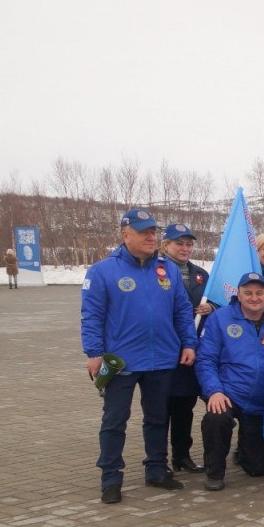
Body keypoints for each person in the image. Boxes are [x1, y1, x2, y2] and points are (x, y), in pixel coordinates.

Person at [80, 208, 197, 503]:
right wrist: (94, 353)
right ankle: (111, 477)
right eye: (144, 232)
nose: (151, 237)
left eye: (153, 232)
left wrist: (189, 343)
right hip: (121, 362)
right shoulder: (102, 271)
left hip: (161, 359)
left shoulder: (166, 269)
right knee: (115, 420)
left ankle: (157, 469)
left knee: (158, 418)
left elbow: (182, 310)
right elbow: (91, 317)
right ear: (125, 235)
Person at [195, 272, 264, 490]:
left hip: (262, 401)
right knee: (216, 419)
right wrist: (214, 391)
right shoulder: (220, 318)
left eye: (259, 293)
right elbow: (206, 360)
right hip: (228, 393)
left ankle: (243, 451)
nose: (254, 298)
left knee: (258, 469)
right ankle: (214, 471)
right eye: (247, 292)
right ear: (238, 295)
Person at [161, 223, 212, 475]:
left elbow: (216, 302)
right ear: (166, 245)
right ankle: (159, 460)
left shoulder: (201, 274)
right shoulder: (154, 271)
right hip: (163, 349)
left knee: (184, 406)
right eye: (178, 243)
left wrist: (211, 308)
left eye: (188, 243)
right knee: (160, 409)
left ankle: (182, 455)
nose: (185, 248)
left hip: (192, 350)